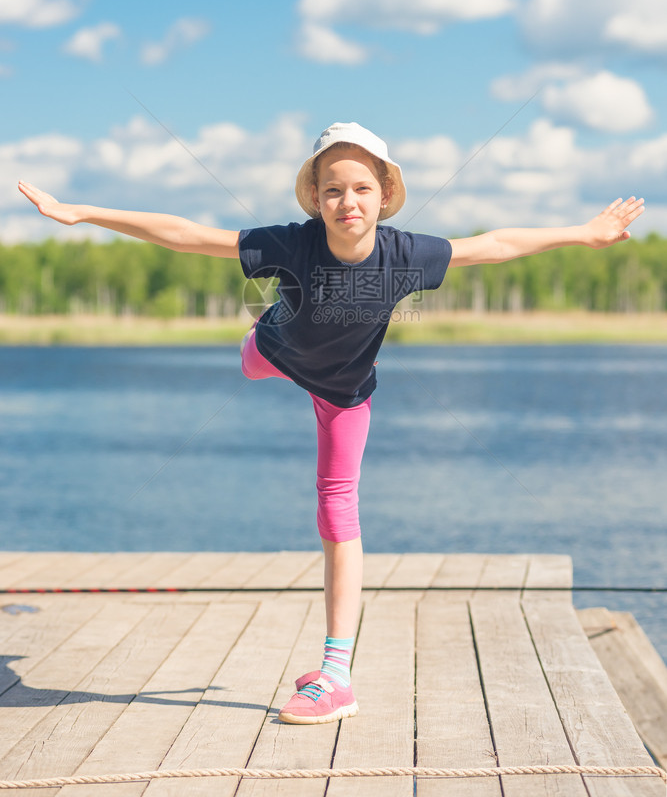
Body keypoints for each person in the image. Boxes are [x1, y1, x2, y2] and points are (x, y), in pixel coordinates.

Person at [18, 121, 644, 725]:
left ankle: (335, 674)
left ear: (385, 196)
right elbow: (184, 233)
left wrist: (585, 233)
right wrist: (81, 212)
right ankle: (258, 341)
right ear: (316, 199)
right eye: (335, 188)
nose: (349, 200)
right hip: (279, 353)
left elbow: (497, 244)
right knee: (251, 360)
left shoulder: (405, 255)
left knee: (337, 511)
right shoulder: (292, 242)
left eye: (363, 187)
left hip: (345, 394)